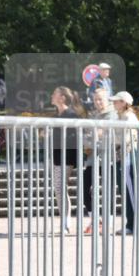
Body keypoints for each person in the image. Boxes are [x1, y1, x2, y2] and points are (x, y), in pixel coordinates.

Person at [82, 88, 119, 235]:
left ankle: (107, 223)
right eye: (96, 99)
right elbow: (88, 137)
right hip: (93, 158)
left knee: (108, 190)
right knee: (85, 188)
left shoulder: (114, 115)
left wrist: (95, 136)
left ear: (107, 99)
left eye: (100, 99)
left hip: (108, 158)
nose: (97, 102)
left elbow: (109, 136)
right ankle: (96, 220)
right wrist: (91, 139)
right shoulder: (94, 115)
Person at [50, 86, 86, 234]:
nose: (52, 96)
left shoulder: (70, 114)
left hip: (68, 155)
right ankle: (65, 223)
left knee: (59, 187)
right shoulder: (57, 114)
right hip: (58, 155)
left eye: (54, 94)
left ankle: (65, 224)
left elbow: (76, 135)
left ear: (62, 98)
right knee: (59, 188)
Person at [111, 91, 139, 236]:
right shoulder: (120, 116)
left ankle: (134, 224)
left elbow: (126, 139)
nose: (114, 103)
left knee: (130, 191)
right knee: (125, 190)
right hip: (121, 155)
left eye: (117, 101)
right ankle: (131, 223)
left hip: (127, 155)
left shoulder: (129, 117)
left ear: (124, 103)